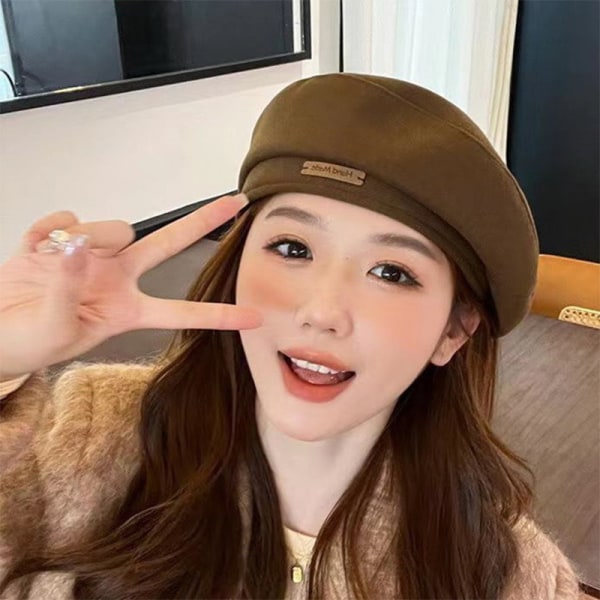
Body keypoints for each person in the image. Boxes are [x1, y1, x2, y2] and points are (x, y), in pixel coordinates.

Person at [0, 73, 581, 599]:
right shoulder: (86, 436)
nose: (321, 311)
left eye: (391, 273)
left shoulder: (510, 573)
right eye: (293, 248)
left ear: (452, 332)